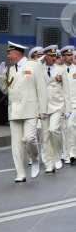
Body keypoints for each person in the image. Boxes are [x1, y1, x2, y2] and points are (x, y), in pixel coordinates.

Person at [0, 42, 47, 182]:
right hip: (14, 111)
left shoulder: (34, 65)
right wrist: (2, 76)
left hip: (30, 109)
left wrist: (43, 109)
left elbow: (41, 88)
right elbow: (5, 90)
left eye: (10, 53)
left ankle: (35, 159)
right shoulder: (11, 70)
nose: (8, 56)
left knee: (30, 138)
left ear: (17, 53)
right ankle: (20, 173)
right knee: (17, 144)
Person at [40, 45, 71, 173]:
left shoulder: (60, 70)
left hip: (57, 105)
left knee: (53, 130)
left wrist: (67, 109)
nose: (54, 58)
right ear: (45, 56)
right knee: (45, 136)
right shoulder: (39, 69)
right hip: (43, 107)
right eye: (51, 56)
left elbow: (66, 91)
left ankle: (58, 156)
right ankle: (49, 163)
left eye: (55, 56)